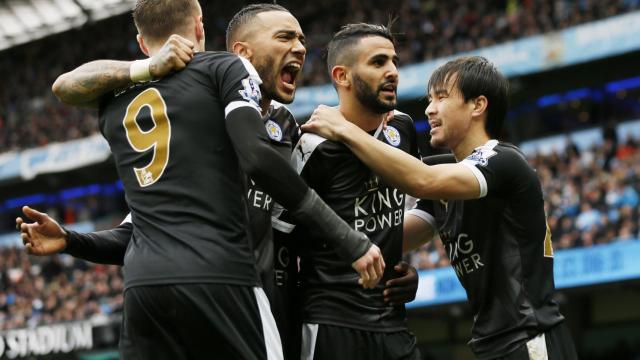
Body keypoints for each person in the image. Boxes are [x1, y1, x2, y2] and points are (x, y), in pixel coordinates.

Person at [35, 1, 386, 359]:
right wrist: (351, 242)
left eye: (300, 38)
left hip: (149, 288)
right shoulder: (222, 73)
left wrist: (70, 241)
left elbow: (67, 86)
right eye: (284, 37)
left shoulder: (120, 101)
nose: (299, 47)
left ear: (142, 42)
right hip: (229, 283)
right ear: (201, 28)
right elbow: (259, 159)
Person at [303, 55, 578, 359]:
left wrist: (344, 129)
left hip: (530, 338)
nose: (429, 109)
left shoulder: (502, 161)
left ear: (478, 105)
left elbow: (421, 179)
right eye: (429, 99)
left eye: (441, 98)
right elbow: (387, 235)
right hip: (493, 344)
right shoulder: (450, 175)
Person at [273, 23, 421, 360]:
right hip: (331, 326)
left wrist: (404, 269)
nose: (393, 72)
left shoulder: (402, 128)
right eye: (379, 62)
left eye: (394, 61)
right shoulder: (313, 146)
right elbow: (281, 238)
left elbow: (421, 199)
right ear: (343, 76)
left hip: (394, 324)